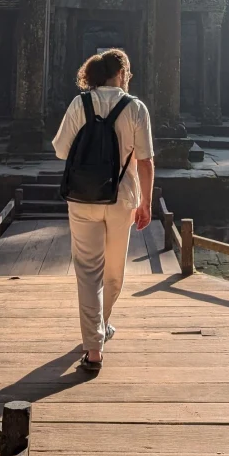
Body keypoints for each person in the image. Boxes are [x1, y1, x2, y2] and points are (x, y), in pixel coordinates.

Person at [51, 48, 154, 373]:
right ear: (122, 73)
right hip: (122, 198)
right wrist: (146, 203)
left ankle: (94, 347)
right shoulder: (135, 107)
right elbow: (146, 161)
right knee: (113, 271)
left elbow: (61, 150)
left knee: (87, 272)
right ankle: (101, 328)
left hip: (82, 199)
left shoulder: (79, 103)